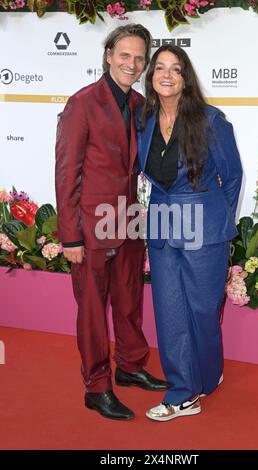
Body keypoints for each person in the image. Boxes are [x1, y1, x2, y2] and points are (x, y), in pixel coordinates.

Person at [55, 24, 168, 422]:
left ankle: (131, 364)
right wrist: (70, 236)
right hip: (90, 223)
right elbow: (67, 173)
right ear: (108, 56)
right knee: (91, 308)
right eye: (125, 56)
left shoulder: (141, 105)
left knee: (128, 299)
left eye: (139, 58)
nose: (132, 64)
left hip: (129, 219)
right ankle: (97, 386)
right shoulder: (82, 103)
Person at [137, 44, 243, 421]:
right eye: (159, 67)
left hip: (204, 230)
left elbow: (232, 177)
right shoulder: (145, 121)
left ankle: (208, 375)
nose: (167, 74)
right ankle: (183, 392)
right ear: (151, 77)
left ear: (185, 78)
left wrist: (216, 219)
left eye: (176, 69)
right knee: (170, 313)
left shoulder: (211, 120)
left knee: (202, 310)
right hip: (163, 227)